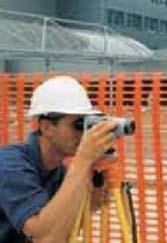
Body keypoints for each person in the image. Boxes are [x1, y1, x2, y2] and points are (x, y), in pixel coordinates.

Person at [0, 76, 118, 242]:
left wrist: (94, 192)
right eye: (77, 124)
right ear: (47, 127)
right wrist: (82, 161)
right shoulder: (8, 164)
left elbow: (64, 231)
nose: (83, 133)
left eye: (86, 124)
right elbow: (42, 236)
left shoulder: (59, 172)